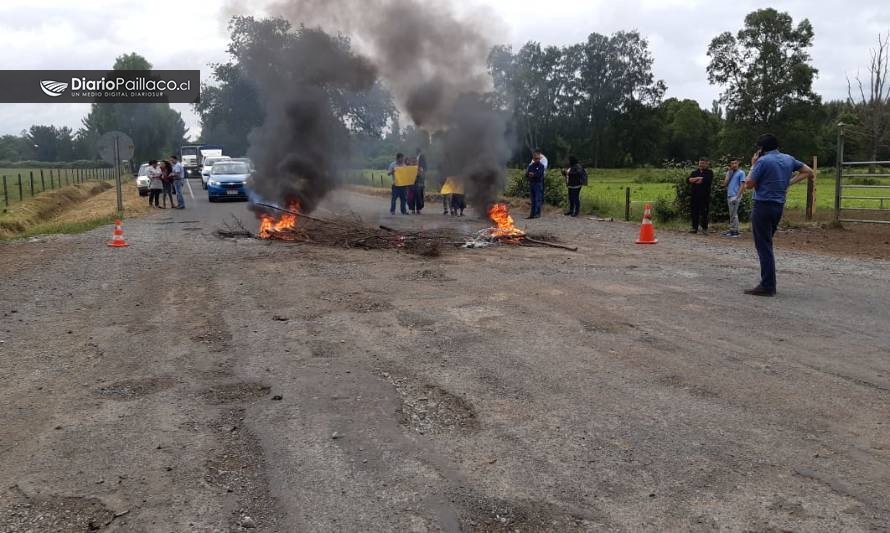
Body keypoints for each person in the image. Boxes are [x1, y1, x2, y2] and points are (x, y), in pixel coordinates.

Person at [743, 134, 814, 297]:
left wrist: (753, 165)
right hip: (778, 206)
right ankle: (768, 283)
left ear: (762, 149)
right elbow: (808, 171)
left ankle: (767, 285)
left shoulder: (762, 161)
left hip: (763, 205)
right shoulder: (788, 159)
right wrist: (787, 183)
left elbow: (748, 185)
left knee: (764, 246)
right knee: (767, 243)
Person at [687, 157, 714, 234]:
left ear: (706, 164)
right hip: (694, 196)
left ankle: (704, 228)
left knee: (704, 213)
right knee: (694, 212)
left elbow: (707, 180)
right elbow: (688, 180)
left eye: (703, 163)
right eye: (700, 163)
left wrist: (694, 180)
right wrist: (698, 178)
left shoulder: (709, 172)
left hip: (705, 196)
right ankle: (694, 228)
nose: (701, 165)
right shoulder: (694, 172)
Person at [722, 157, 746, 237]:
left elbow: (742, 185)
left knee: (734, 213)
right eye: (732, 163)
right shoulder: (730, 172)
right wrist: (729, 173)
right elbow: (725, 184)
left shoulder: (741, 172)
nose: (734, 165)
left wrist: (737, 196)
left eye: (735, 163)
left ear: (738, 163)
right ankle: (733, 230)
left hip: (736, 195)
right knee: (732, 213)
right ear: (730, 164)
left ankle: (735, 231)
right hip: (729, 194)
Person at [526, 152, 546, 219]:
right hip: (532, 184)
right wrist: (529, 174)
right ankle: (532, 214)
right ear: (533, 159)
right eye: (535, 158)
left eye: (538, 158)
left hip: (538, 184)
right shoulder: (531, 166)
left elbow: (540, 175)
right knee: (533, 200)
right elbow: (526, 174)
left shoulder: (541, 166)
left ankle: (537, 214)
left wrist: (533, 174)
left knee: (538, 199)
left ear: (539, 159)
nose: (537, 160)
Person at [412, 148, 427, 214]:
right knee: (413, 194)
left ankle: (418, 209)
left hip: (419, 179)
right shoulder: (414, 158)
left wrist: (422, 172)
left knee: (419, 194)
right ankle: (413, 209)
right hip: (413, 179)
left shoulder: (422, 157)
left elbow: (425, 167)